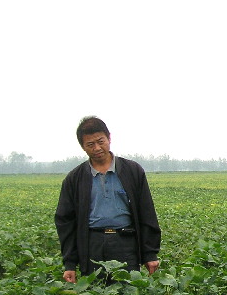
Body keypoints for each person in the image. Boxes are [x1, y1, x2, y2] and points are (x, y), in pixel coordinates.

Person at [54, 116, 161, 283]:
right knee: (95, 293)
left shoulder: (132, 171)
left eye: (100, 141)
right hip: (92, 245)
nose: (97, 148)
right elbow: (65, 222)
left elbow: (146, 212)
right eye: (90, 144)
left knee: (127, 291)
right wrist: (70, 263)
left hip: (126, 243)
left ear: (109, 138)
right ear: (83, 147)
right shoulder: (74, 179)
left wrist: (150, 254)